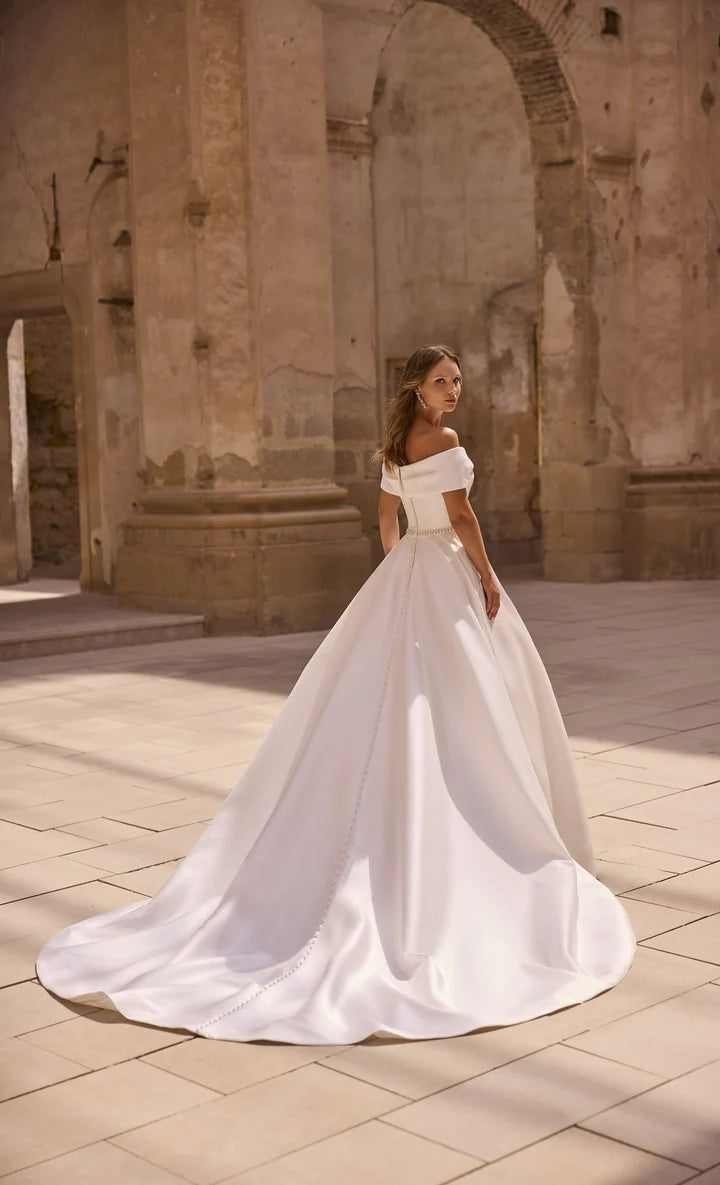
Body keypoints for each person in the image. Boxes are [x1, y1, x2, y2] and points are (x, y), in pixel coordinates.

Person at [35, 343, 636, 1045]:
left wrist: (398, 569)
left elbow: (388, 517)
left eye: (457, 380)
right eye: (442, 381)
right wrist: (486, 576)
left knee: (392, 696)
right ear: (417, 386)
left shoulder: (393, 444)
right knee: (462, 700)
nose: (454, 390)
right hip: (442, 568)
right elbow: (463, 517)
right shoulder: (441, 440)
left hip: (410, 569)